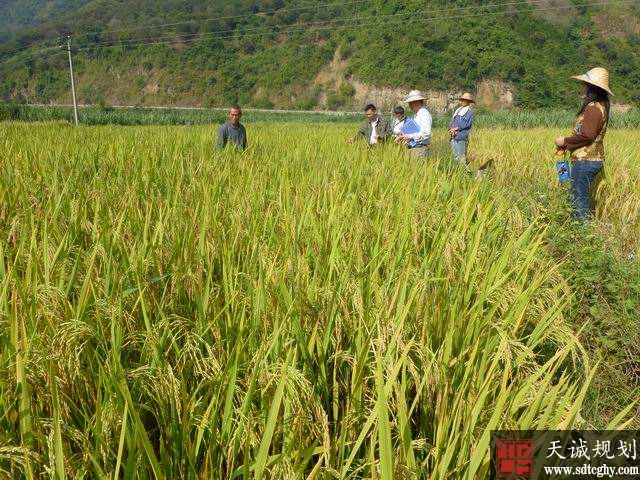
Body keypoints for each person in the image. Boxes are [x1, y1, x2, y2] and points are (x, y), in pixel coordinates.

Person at [554, 67, 612, 221]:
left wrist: (564, 141)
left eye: (584, 84)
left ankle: (586, 236)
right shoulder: (599, 106)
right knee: (577, 198)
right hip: (588, 160)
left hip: (586, 161)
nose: (581, 87)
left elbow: (587, 135)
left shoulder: (593, 109)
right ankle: (579, 235)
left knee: (578, 202)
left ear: (591, 87)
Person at [394, 90, 432, 158]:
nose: (409, 105)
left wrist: (409, 136)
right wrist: (403, 136)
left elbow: (426, 133)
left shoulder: (424, 114)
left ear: (417, 102)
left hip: (419, 149)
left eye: (410, 103)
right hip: (414, 148)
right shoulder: (417, 115)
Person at [449, 92, 475, 170]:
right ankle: (457, 173)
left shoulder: (469, 112)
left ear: (468, 102)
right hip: (453, 136)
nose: (463, 101)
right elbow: (452, 121)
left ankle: (467, 175)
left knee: (461, 157)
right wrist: (451, 129)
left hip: (461, 137)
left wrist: (455, 129)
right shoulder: (458, 110)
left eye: (465, 100)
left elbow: (466, 124)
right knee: (455, 157)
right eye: (463, 100)